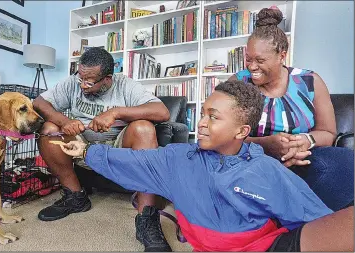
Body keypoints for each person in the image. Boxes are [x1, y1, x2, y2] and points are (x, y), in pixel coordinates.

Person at [57, 80, 354, 252]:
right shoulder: (177, 158)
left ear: (241, 131)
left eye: (213, 117)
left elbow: (310, 218)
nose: (200, 122)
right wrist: (85, 151)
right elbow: (133, 160)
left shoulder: (266, 170)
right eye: (202, 113)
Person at [32, 47, 172, 251]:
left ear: (107, 79)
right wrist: (64, 121)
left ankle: (146, 219)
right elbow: (38, 102)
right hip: (80, 145)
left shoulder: (125, 85)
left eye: (88, 82)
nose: (82, 85)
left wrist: (115, 112)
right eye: (80, 77)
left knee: (144, 129)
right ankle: (75, 197)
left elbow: (162, 112)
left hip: (117, 146)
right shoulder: (73, 82)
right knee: (49, 128)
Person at [228, 7, 354, 212]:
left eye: (260, 60)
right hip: (250, 160)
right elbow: (222, 134)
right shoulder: (238, 83)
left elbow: (328, 133)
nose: (251, 66)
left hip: (300, 160)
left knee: (345, 165)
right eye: (248, 58)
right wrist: (264, 146)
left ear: (282, 56)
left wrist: (304, 141)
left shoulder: (309, 82)